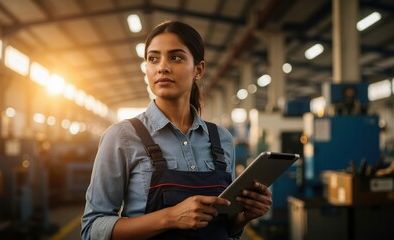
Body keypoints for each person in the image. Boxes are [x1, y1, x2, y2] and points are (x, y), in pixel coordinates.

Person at [81, 20, 272, 240]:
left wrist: (245, 216)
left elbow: (224, 228)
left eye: (176, 57)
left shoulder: (222, 139)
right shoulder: (121, 137)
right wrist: (170, 217)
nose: (162, 66)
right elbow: (92, 229)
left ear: (198, 69)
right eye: (153, 59)